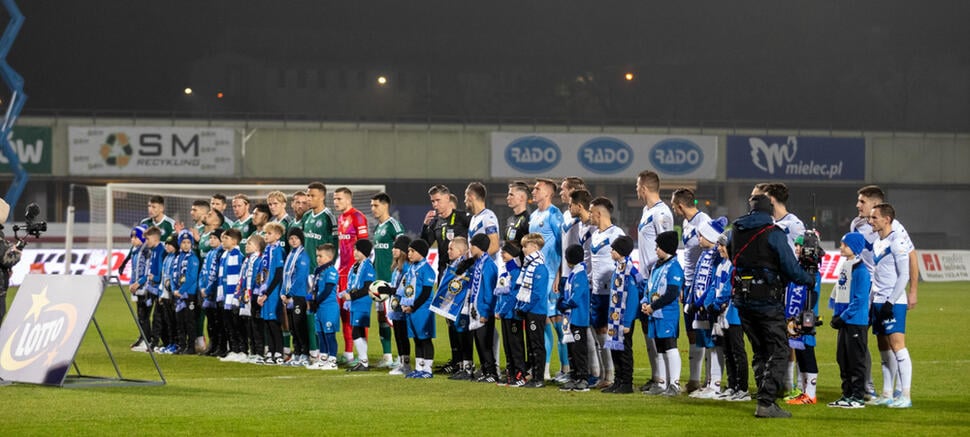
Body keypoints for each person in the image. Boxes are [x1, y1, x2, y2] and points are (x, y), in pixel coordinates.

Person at [728, 194, 815, 418]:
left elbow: (731, 254)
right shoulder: (773, 233)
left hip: (742, 299)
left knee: (759, 350)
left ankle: (764, 397)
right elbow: (790, 267)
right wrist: (809, 278)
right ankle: (766, 402)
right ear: (771, 209)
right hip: (767, 301)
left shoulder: (735, 230)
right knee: (779, 349)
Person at [851, 185, 918, 400]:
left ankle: (902, 392)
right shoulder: (860, 226)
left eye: (862, 202)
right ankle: (878, 389)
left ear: (876, 205)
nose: (858, 206)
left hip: (891, 295)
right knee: (867, 337)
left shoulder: (896, 233)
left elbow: (909, 261)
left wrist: (912, 291)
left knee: (896, 343)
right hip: (871, 292)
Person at [754, 183, 807, 399]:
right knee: (770, 335)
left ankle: (789, 384)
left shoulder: (794, 224)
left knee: (790, 333)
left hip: (789, 287)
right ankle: (772, 381)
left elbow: (802, 256)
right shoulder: (768, 222)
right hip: (770, 286)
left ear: (772, 199)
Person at [867, 203, 914, 408]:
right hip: (878, 300)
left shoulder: (897, 241)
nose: (870, 221)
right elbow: (877, 276)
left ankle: (905, 395)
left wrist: (890, 301)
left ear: (886, 219)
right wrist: (873, 300)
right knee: (884, 349)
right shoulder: (878, 242)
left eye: (874, 218)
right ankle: (887, 393)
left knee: (898, 347)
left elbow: (904, 274)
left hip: (892, 302)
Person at [420, 184, 470, 373]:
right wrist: (425, 226)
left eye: (438, 200)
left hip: (463, 275)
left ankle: (467, 362)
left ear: (448, 199)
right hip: (444, 275)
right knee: (449, 318)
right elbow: (424, 246)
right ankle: (456, 361)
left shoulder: (465, 218)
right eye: (432, 201)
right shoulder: (435, 222)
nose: (435, 204)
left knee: (462, 318)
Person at [635, 170, 675, 392]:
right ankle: (656, 377)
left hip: (656, 279)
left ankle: (664, 380)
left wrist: (660, 278)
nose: (636, 190)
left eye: (637, 186)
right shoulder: (646, 211)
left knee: (658, 328)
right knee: (647, 329)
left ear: (644, 188)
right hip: (645, 279)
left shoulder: (662, 214)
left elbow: (667, 247)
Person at [670, 187, 711, 393]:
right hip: (688, 286)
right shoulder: (687, 223)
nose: (673, 210)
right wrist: (683, 285)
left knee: (705, 331)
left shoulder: (704, 222)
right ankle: (695, 380)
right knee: (692, 333)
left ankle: (711, 381)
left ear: (679, 205)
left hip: (701, 285)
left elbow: (712, 251)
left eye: (673, 205)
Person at [827, 232, 871, 409]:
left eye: (845, 245)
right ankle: (847, 394)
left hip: (856, 322)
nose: (841, 247)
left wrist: (842, 317)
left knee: (856, 360)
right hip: (845, 321)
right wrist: (836, 315)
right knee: (842, 358)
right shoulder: (846, 266)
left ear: (855, 247)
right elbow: (840, 292)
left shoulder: (861, 271)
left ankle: (858, 397)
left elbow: (860, 300)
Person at [687, 217, 728, 399]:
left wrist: (703, 303)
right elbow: (697, 279)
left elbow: (712, 283)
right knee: (706, 344)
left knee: (715, 345)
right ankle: (708, 381)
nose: (699, 238)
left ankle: (715, 384)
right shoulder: (704, 254)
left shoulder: (717, 256)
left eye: (701, 235)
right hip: (700, 309)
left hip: (710, 308)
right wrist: (691, 299)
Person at [641, 231, 685, 397]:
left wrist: (653, 306)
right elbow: (649, 288)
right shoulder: (656, 266)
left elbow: (672, 293)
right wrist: (645, 302)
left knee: (670, 345)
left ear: (666, 247)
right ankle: (662, 383)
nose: (656, 249)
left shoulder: (674, 266)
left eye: (658, 246)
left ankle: (674, 384)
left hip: (667, 314)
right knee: (659, 348)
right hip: (655, 313)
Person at [529, 178, 564, 383]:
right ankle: (545, 369)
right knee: (542, 323)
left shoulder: (554, 214)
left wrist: (559, 274)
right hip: (537, 277)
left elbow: (561, 246)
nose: (534, 191)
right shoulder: (534, 216)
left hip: (552, 277)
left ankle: (566, 368)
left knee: (558, 324)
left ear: (548, 193)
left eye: (537, 188)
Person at [588, 196, 625, 388]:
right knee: (598, 332)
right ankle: (604, 374)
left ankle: (610, 375)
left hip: (610, 293)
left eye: (591, 211)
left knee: (607, 333)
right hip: (595, 291)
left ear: (599, 213)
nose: (589, 215)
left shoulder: (616, 234)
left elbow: (621, 262)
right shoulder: (594, 234)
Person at [710, 233, 751, 402]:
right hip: (723, 314)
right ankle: (732, 385)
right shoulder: (723, 265)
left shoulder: (735, 266)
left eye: (722, 244)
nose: (719, 247)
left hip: (734, 315)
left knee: (737, 351)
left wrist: (717, 303)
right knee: (727, 351)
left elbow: (728, 289)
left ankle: (743, 389)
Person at [784, 235, 822, 405]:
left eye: (800, 246)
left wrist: (804, 316)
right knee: (800, 353)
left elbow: (813, 295)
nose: (797, 248)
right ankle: (804, 391)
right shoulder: (799, 268)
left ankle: (811, 394)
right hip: (795, 319)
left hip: (806, 319)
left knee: (808, 353)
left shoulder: (813, 272)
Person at [303, 182, 338, 362]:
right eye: (308, 195)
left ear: (322, 196)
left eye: (312, 196)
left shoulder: (329, 218)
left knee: (321, 309)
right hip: (307, 272)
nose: (309, 199)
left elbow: (335, 247)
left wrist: (327, 270)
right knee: (310, 311)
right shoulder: (307, 217)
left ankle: (325, 354)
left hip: (321, 274)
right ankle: (314, 352)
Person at [601, 236, 641, 395]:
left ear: (621, 251)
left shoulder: (630, 270)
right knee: (614, 350)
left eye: (614, 249)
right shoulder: (618, 267)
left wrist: (628, 322)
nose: (611, 252)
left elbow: (632, 298)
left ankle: (627, 383)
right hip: (614, 318)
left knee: (624, 351)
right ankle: (618, 381)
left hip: (624, 320)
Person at [370, 192, 406, 368]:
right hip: (379, 282)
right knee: (381, 318)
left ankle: (402, 357)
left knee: (395, 319)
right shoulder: (377, 228)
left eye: (376, 205)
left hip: (391, 281)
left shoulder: (394, 225)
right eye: (372, 205)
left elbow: (403, 249)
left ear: (385, 205)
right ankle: (387, 356)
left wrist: (397, 272)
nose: (373, 209)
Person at [334, 186, 369, 364]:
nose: (336, 202)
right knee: (344, 313)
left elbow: (364, 246)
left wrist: (360, 270)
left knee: (357, 313)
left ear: (348, 199)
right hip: (342, 273)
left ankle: (362, 356)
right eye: (334, 199)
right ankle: (348, 354)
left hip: (355, 274)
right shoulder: (340, 218)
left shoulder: (358, 217)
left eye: (339, 199)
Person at [514, 233, 551, 388]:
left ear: (535, 246)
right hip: (530, 311)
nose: (523, 249)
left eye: (525, 246)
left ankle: (539, 378)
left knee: (537, 345)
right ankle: (534, 375)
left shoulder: (540, 268)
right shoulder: (530, 265)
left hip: (536, 312)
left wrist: (524, 307)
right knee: (531, 344)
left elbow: (537, 294)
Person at [466, 233, 499, 383]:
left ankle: (492, 373)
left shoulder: (489, 265)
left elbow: (489, 291)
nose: (470, 248)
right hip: (476, 309)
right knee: (479, 342)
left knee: (486, 343)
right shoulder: (479, 263)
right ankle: (485, 371)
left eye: (472, 245)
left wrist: (485, 312)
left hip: (483, 311)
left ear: (478, 246)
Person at [402, 239, 437, 379]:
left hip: (423, 310)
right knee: (416, 338)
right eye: (409, 251)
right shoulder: (411, 268)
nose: (409, 254)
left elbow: (426, 293)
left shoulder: (427, 269)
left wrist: (413, 306)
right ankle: (418, 368)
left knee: (425, 339)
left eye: (412, 251)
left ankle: (427, 370)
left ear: (421, 253)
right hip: (411, 309)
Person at [558, 244, 591, 392]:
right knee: (571, 349)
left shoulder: (580, 275)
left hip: (578, 318)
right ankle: (574, 376)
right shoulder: (574, 273)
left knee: (579, 349)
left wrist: (563, 304)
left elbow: (575, 298)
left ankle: (583, 378)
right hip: (571, 318)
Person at [340, 239, 376, 371]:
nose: (354, 252)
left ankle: (363, 360)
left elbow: (368, 287)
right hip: (355, 303)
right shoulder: (356, 265)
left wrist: (352, 296)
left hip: (362, 302)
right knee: (359, 331)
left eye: (357, 250)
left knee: (356, 331)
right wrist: (347, 293)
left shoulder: (368, 266)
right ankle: (363, 360)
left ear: (364, 252)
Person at [495, 242, 526, 387]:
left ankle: (520, 374)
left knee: (516, 345)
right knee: (507, 345)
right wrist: (498, 309)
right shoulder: (505, 271)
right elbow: (500, 294)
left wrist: (501, 311)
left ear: (513, 254)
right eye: (502, 252)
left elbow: (513, 296)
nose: (502, 254)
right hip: (504, 315)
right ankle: (511, 374)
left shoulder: (516, 272)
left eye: (505, 252)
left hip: (512, 314)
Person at [306, 243, 341, 370]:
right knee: (320, 334)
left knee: (329, 335)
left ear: (330, 257)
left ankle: (332, 361)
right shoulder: (319, 271)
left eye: (321, 256)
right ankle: (323, 359)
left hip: (329, 307)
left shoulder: (331, 271)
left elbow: (327, 290)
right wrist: (311, 299)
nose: (318, 259)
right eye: (317, 256)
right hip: (319, 307)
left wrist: (316, 301)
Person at [281, 227, 311, 366]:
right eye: (291, 238)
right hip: (288, 296)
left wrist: (289, 294)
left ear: (301, 240)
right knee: (293, 327)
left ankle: (305, 354)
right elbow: (285, 276)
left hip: (298, 296)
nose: (293, 241)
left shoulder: (302, 256)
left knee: (300, 326)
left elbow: (300, 278)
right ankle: (297, 353)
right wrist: (283, 293)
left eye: (296, 238)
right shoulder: (290, 255)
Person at [257, 223, 286, 365]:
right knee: (267, 323)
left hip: (274, 293)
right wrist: (260, 291)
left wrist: (267, 293)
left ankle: (279, 352)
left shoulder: (279, 251)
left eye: (269, 233)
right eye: (265, 233)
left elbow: (278, 275)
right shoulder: (267, 250)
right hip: (265, 292)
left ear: (278, 236)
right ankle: (270, 351)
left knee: (274, 323)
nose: (266, 236)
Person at [385, 235, 413, 375]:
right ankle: (402, 363)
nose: (393, 250)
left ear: (403, 250)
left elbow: (405, 288)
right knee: (397, 334)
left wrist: (390, 290)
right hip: (395, 307)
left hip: (402, 307)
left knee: (402, 335)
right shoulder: (396, 268)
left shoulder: (407, 267)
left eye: (396, 247)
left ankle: (406, 365)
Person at [217, 229, 246, 363]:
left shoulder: (238, 255)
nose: (223, 241)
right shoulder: (224, 255)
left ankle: (243, 350)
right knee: (228, 324)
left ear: (234, 241)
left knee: (237, 325)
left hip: (233, 297)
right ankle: (234, 349)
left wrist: (236, 296)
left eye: (226, 238)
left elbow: (239, 278)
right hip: (225, 297)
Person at [172, 230, 200, 355]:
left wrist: (181, 290)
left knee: (189, 321)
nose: (186, 245)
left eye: (189, 242)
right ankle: (181, 345)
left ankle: (191, 347)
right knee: (179, 321)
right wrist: (174, 289)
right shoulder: (177, 258)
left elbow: (192, 277)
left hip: (189, 294)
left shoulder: (193, 258)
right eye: (183, 242)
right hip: (178, 293)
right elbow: (173, 276)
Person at [200, 229, 225, 356]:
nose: (211, 240)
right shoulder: (209, 253)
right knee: (210, 322)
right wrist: (202, 287)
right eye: (210, 238)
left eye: (215, 238)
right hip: (207, 295)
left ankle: (221, 347)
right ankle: (212, 345)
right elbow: (203, 273)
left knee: (218, 322)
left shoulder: (220, 253)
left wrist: (208, 289)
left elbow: (216, 276)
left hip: (215, 295)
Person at [154, 236, 179, 354]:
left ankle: (176, 343)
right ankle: (170, 343)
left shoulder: (176, 258)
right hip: (165, 294)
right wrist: (161, 293)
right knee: (168, 320)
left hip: (172, 294)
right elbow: (163, 277)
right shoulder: (167, 257)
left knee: (174, 320)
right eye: (166, 244)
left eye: (170, 244)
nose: (167, 246)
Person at [465, 182, 500, 255]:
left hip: (487, 266)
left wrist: (478, 260)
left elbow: (494, 246)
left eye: (466, 197)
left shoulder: (488, 216)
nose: (465, 201)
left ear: (471, 197)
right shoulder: (473, 219)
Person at [504, 181, 531, 248]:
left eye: (511, 195)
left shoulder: (528, 220)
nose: (508, 198)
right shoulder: (509, 219)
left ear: (522, 198)